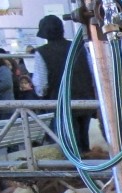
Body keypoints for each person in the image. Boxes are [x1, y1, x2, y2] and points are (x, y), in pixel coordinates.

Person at [32, 14, 96, 154]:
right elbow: (92, 72)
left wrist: (41, 94)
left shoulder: (42, 53)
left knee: (68, 147)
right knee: (84, 142)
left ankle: (75, 165)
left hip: (61, 103)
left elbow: (41, 85)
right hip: (85, 100)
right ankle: (87, 162)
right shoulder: (79, 47)